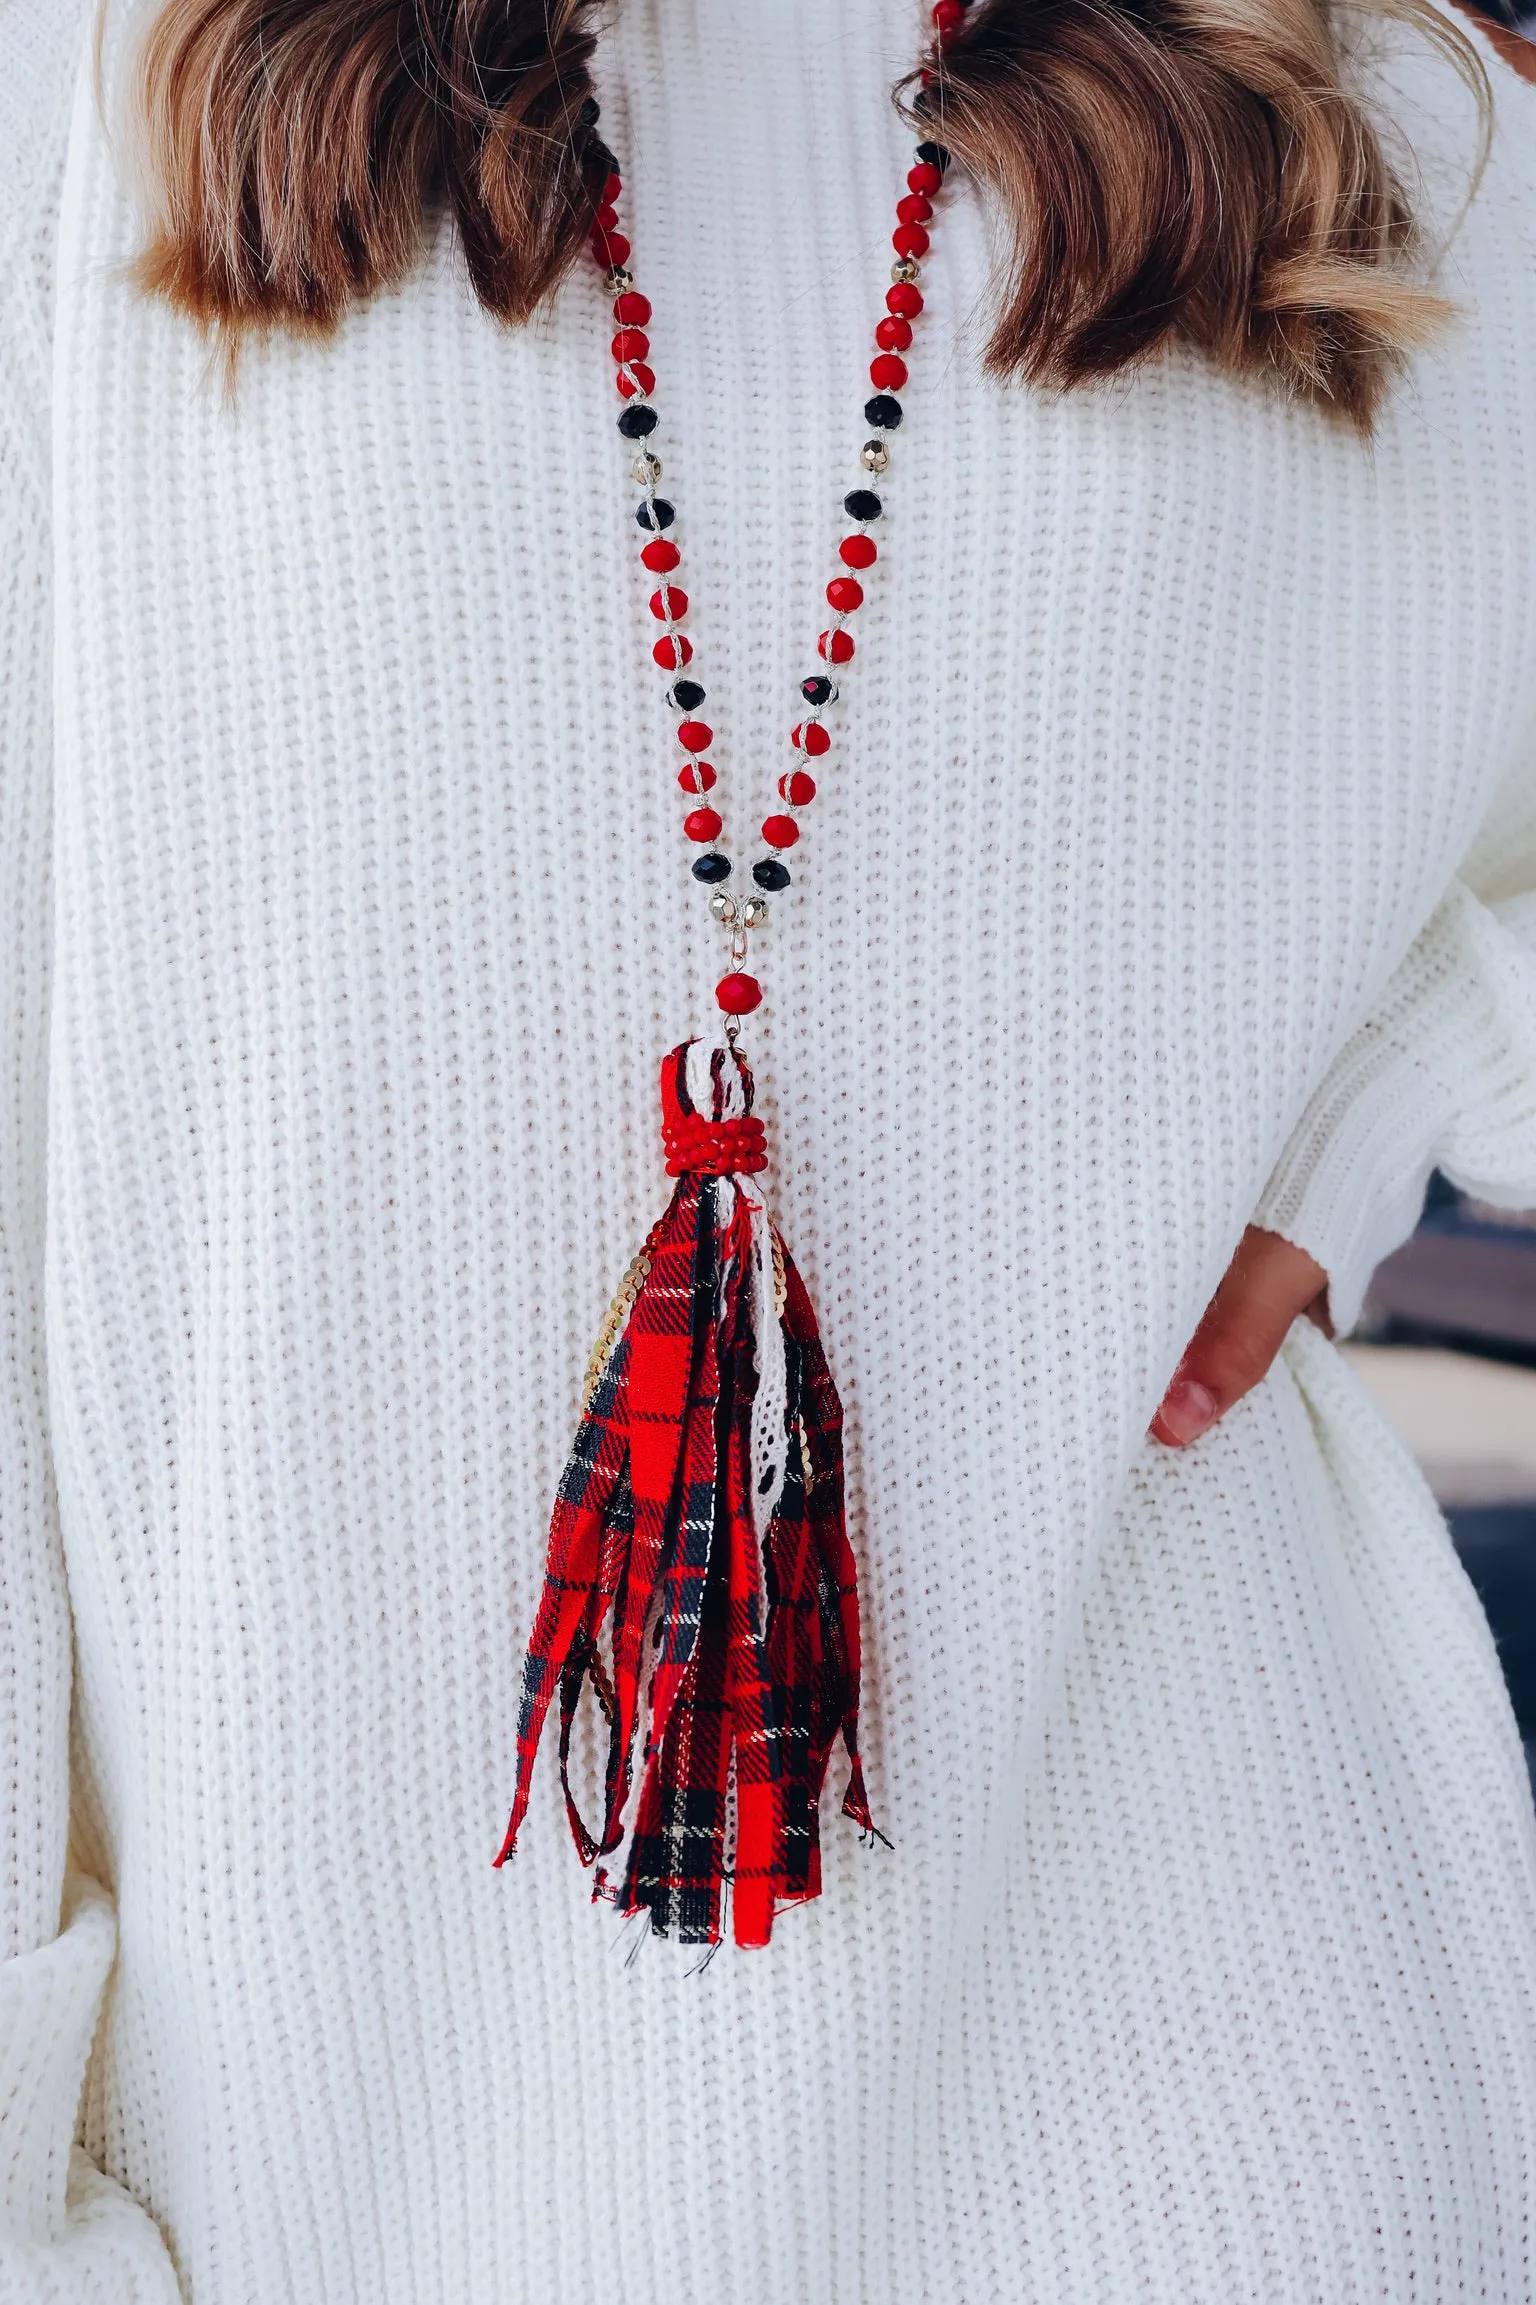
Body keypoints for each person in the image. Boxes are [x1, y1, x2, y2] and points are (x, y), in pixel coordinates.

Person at [3, 0, 1535, 2296]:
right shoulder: (92, 78)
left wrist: (1398, 1079)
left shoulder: (1407, 136)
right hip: (324, 2147)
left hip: (1227, 2097)